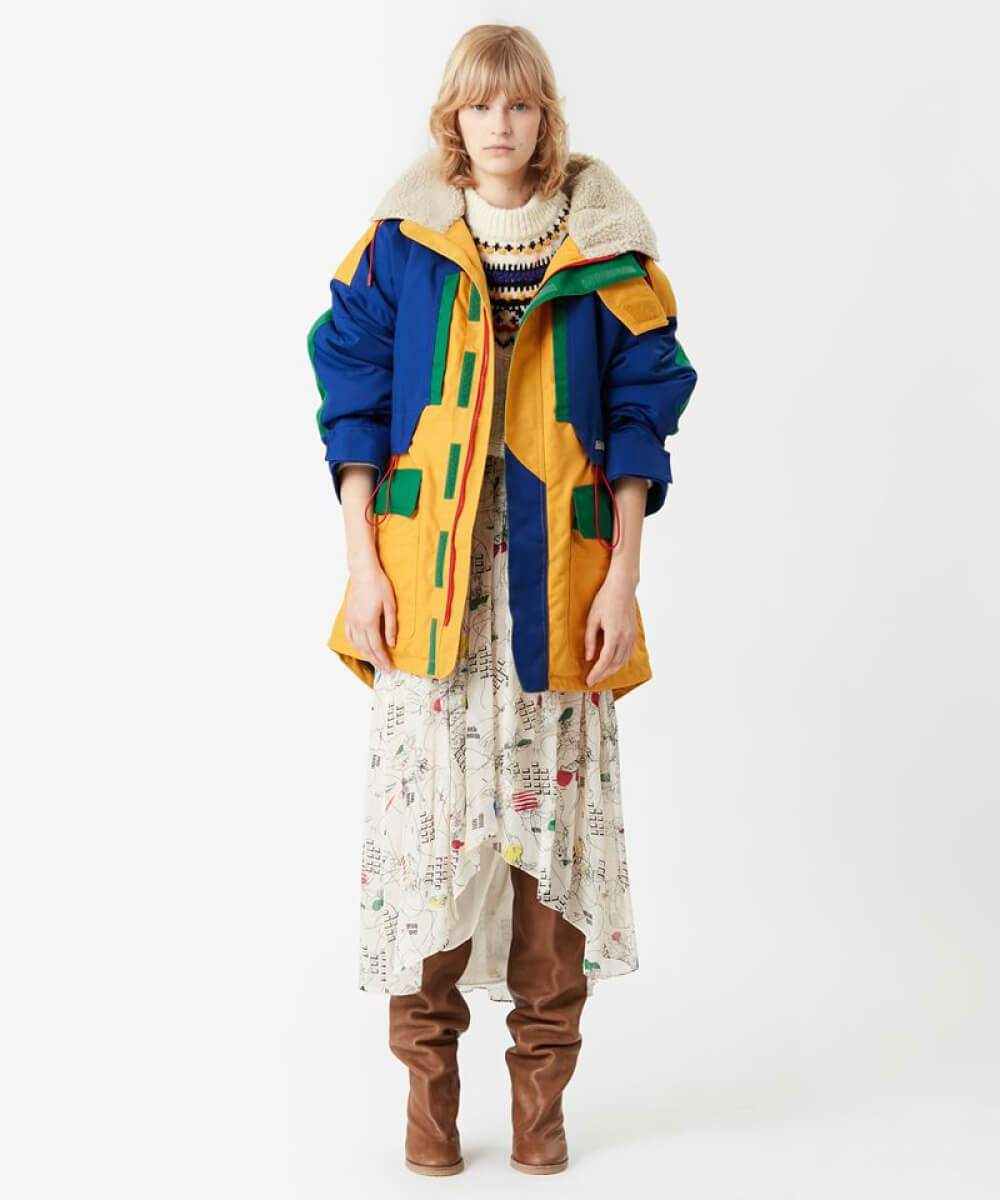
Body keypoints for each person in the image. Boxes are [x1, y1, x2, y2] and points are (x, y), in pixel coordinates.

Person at [307, 22, 697, 1177]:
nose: (500, 125)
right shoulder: (403, 247)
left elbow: (641, 420)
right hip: (427, 586)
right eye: (480, 105)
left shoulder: (608, 251)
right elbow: (351, 399)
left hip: (561, 581)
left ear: (545, 118)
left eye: (520, 105)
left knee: (550, 840)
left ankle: (540, 1111)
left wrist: (624, 575)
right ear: (452, 118)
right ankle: (429, 1110)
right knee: (427, 837)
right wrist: (361, 563)